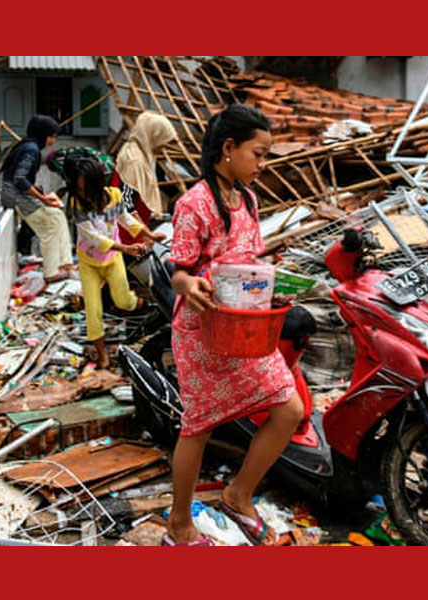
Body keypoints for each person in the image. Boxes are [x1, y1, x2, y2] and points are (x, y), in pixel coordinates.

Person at [165, 104, 304, 546]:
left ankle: (238, 493)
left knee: (289, 409)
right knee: (199, 426)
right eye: (258, 154)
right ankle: (179, 523)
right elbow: (179, 272)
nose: (263, 165)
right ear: (229, 148)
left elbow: (250, 259)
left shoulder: (247, 198)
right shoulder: (194, 204)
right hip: (202, 331)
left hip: (245, 327)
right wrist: (190, 286)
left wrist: (274, 283)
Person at [63, 155, 166, 369]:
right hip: (89, 261)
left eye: (88, 189)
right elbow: (93, 237)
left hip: (112, 258)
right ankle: (103, 356)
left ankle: (141, 303)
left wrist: (148, 234)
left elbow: (126, 219)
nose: (85, 195)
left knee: (123, 302)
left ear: (98, 184)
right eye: (80, 190)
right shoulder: (75, 205)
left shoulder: (114, 196)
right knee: (93, 311)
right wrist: (126, 248)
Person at [1, 115, 73, 283]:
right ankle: (51, 272)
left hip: (15, 193)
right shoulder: (31, 150)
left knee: (58, 215)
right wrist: (42, 197)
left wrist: (37, 190)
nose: (53, 140)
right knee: (50, 226)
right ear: (43, 134)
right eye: (52, 136)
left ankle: (65, 263)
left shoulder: (27, 146)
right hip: (16, 196)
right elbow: (19, 179)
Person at [113, 112, 178, 244]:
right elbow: (125, 202)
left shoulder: (142, 156)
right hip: (126, 237)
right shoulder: (133, 161)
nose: (164, 148)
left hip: (134, 233)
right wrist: (145, 234)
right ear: (152, 137)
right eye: (162, 142)